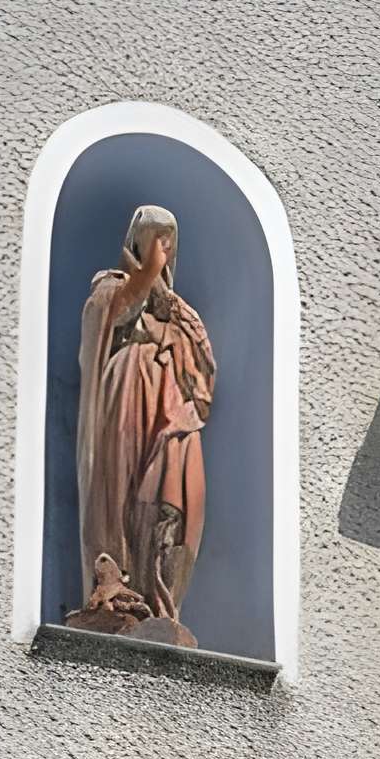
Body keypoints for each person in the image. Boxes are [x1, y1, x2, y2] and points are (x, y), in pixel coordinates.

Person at [70, 205, 217, 646]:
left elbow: (205, 377)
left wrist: (173, 315)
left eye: (167, 240)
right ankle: (113, 581)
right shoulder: (112, 284)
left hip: (173, 416)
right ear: (134, 244)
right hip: (127, 398)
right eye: (153, 237)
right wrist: (146, 274)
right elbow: (107, 314)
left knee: (180, 501)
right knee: (119, 484)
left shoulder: (179, 313)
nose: (161, 247)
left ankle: (162, 596)